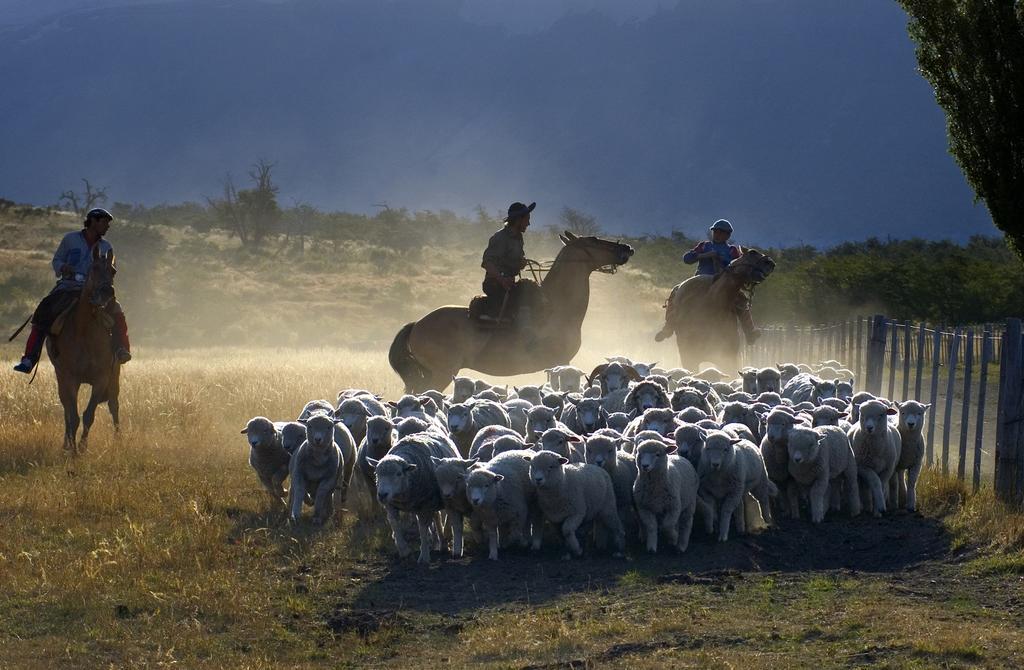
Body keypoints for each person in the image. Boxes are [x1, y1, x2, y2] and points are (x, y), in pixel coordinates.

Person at [13, 208, 131, 373]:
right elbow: (57, 260)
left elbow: (111, 271)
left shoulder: (107, 247)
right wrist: (63, 267)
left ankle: (122, 349)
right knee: (43, 312)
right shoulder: (70, 239)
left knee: (117, 312)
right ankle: (29, 358)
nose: (107, 227)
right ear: (93, 221)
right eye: (104, 222)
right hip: (68, 286)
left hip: (97, 291)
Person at [679, 218, 759, 344]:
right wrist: (706, 255)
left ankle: (750, 332)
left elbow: (739, 267)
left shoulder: (733, 250)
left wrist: (723, 261)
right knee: (677, 292)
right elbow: (687, 259)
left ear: (728, 235)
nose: (717, 234)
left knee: (741, 299)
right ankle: (669, 326)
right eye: (716, 231)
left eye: (721, 232)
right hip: (701, 279)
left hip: (723, 282)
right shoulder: (704, 246)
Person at [480, 201, 536, 329]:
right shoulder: (500, 237)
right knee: (521, 305)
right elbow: (487, 262)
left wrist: (521, 262)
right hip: (494, 284)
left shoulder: (518, 237)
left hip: (509, 284)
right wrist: (502, 279)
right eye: (527, 219)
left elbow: (514, 260)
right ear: (518, 220)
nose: (528, 223)